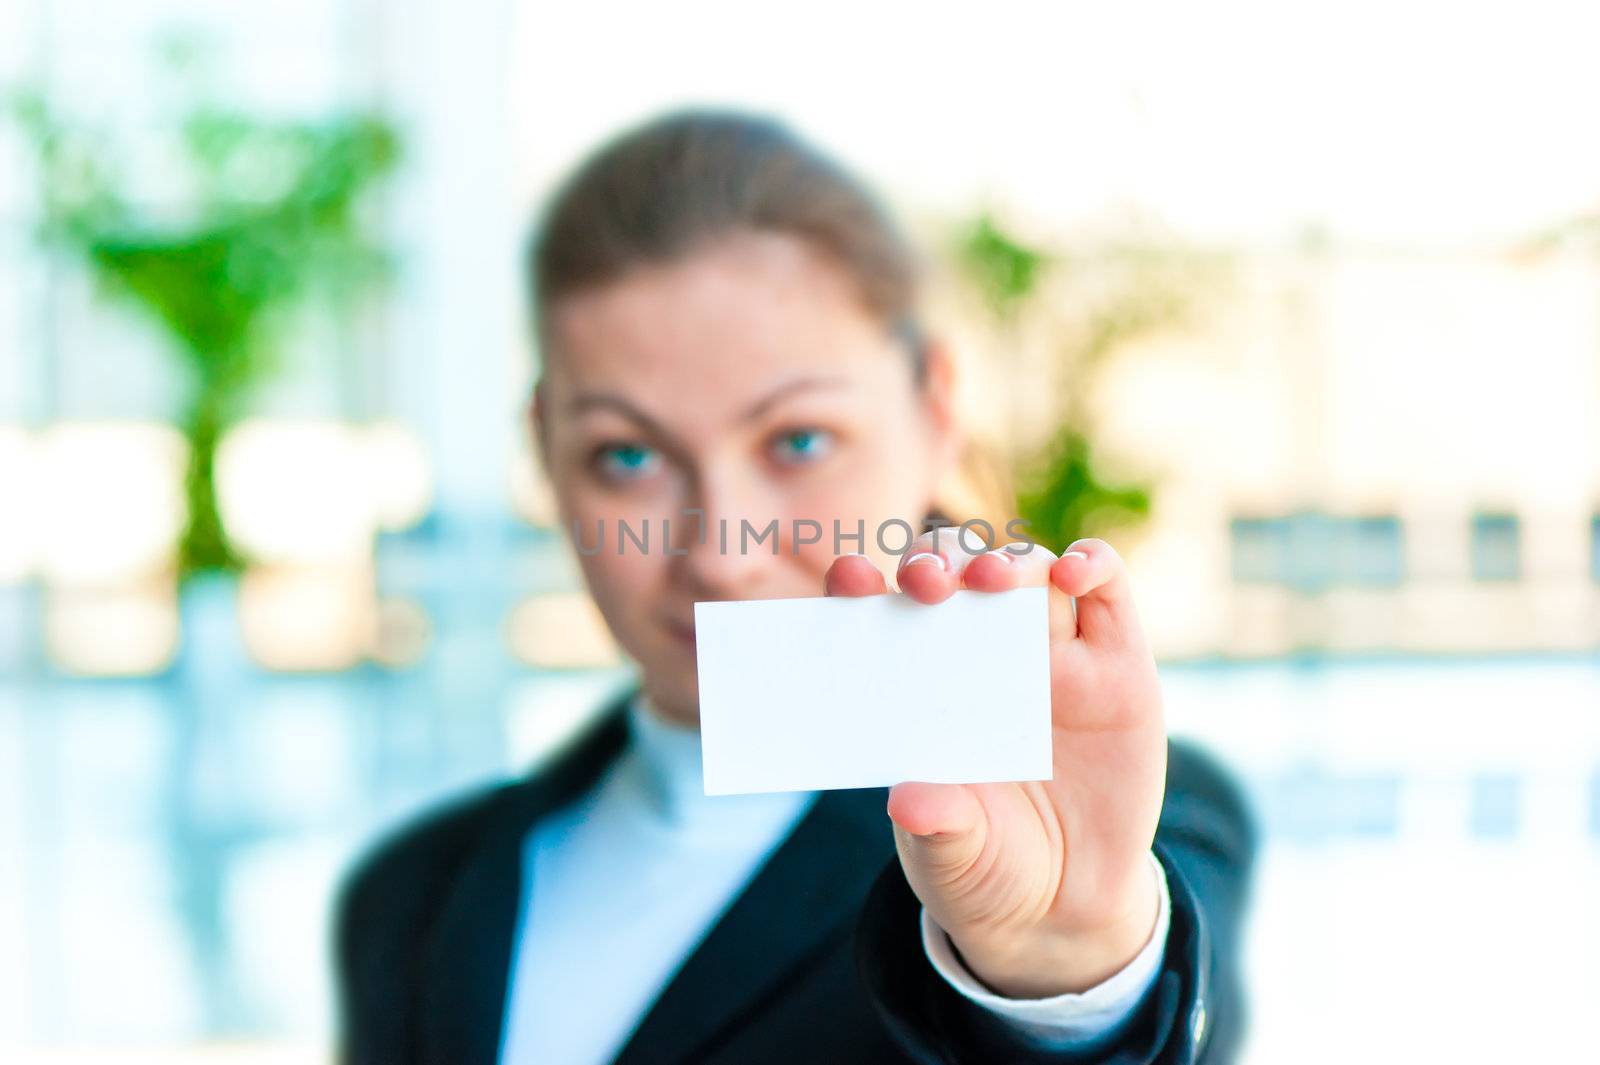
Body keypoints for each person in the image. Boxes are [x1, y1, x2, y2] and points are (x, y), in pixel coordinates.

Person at [333, 109, 1256, 1065]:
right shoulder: (412, 898)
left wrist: (1064, 975)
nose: (720, 554)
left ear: (935, 412)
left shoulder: (1109, 819)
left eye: (798, 441)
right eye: (627, 454)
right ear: (546, 454)